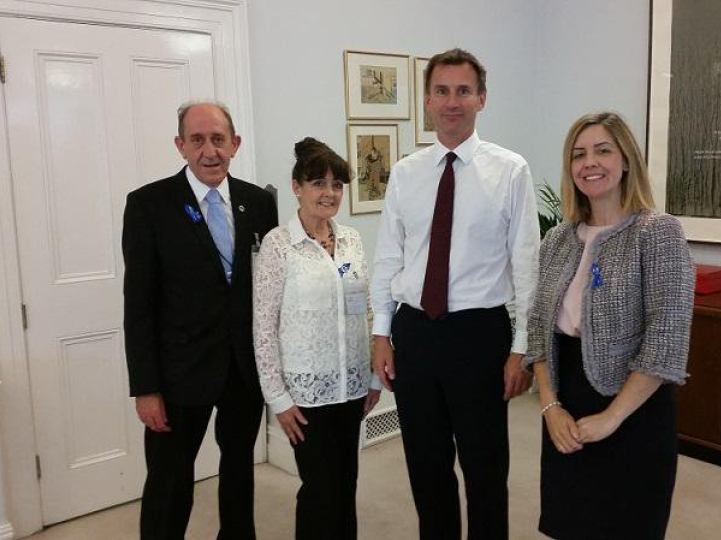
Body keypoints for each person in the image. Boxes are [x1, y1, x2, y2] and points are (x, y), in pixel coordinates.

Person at [371, 48, 540, 540]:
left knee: (485, 470)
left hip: (478, 336)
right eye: (441, 91)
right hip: (415, 333)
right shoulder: (406, 173)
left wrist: (521, 350)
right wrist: (381, 334)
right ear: (427, 100)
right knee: (427, 468)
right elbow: (388, 259)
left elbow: (527, 265)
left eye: (463, 91)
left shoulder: (510, 171)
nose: (452, 102)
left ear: (481, 99)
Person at [525, 111, 695, 540]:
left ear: (626, 161)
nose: (590, 163)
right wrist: (549, 407)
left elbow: (666, 341)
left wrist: (611, 418)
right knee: (570, 524)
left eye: (603, 150)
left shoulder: (657, 233)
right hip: (566, 404)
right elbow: (539, 329)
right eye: (578, 154)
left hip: (634, 410)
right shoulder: (557, 239)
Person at [122, 101, 278, 540]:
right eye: (197, 140)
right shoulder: (148, 205)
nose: (210, 151)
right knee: (170, 483)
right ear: (181, 145)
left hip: (242, 371)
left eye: (218, 139)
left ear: (235, 144)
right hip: (178, 375)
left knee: (239, 474)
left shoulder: (258, 203)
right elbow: (138, 305)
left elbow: (267, 291)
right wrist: (146, 387)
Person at [253, 137, 381, 540]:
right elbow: (263, 326)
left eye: (337, 185)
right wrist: (277, 397)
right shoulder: (278, 245)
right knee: (319, 490)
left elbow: (366, 307)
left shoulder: (351, 239)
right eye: (318, 183)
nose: (329, 193)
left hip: (352, 387)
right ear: (297, 187)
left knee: (345, 484)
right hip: (306, 394)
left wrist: (373, 377)